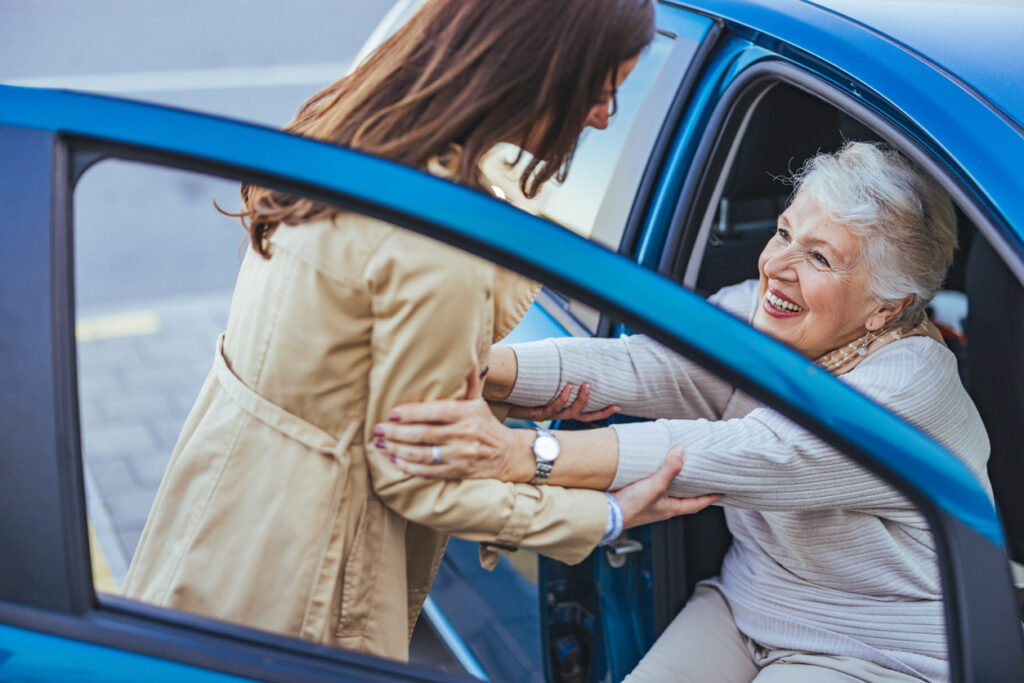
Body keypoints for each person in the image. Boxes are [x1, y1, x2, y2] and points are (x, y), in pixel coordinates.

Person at [121, 0, 716, 663]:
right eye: (601, 89)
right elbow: (419, 480)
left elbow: (334, 357)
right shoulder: (441, 234)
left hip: (221, 520)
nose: (605, 116)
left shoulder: (350, 129)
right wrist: (609, 514)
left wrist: (493, 392)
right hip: (306, 581)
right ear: (538, 65)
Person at [375, 141, 993, 682]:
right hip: (747, 602)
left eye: (820, 259)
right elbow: (648, 366)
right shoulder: (762, 308)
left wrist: (523, 453)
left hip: (875, 651)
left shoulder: (913, 383)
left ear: (887, 307)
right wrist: (483, 369)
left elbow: (734, 454)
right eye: (783, 233)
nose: (776, 266)